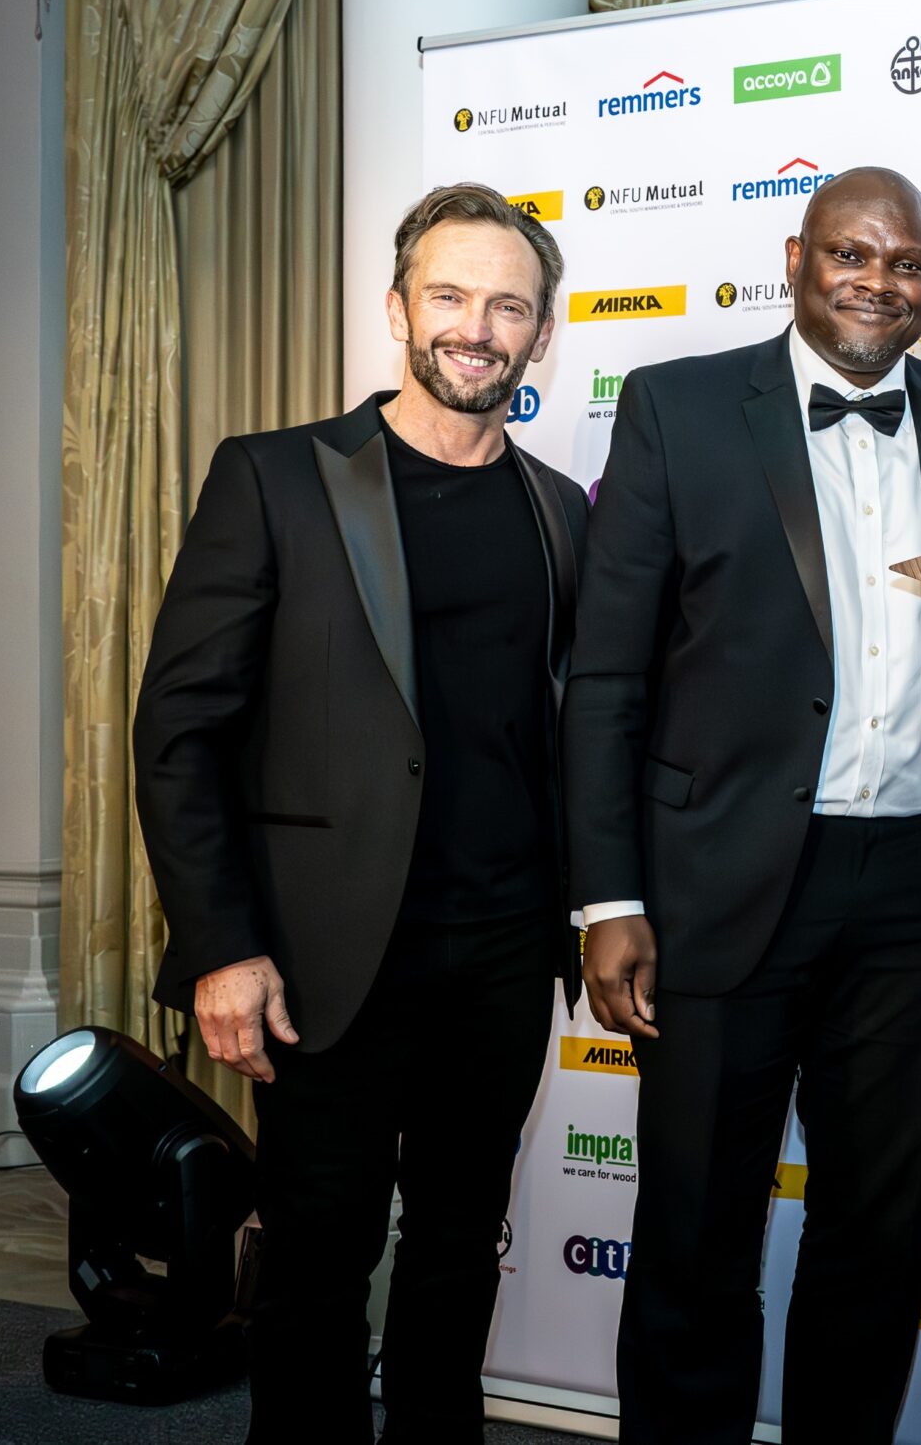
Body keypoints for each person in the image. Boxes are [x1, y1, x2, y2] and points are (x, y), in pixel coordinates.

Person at [563, 167, 921, 1445]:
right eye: (853, 254)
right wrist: (609, 893)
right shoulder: (679, 407)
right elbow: (606, 670)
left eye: (909, 264)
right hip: (721, 882)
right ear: (796, 254)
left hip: (912, 895)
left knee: (876, 1234)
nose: (880, 281)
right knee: (696, 1229)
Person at [134, 183, 588, 1445]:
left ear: (541, 333)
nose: (477, 327)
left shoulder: (560, 509)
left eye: (507, 304)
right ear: (398, 308)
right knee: (316, 1258)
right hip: (324, 955)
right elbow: (179, 731)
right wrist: (220, 943)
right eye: (450, 296)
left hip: (500, 953)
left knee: (458, 1248)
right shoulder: (278, 476)